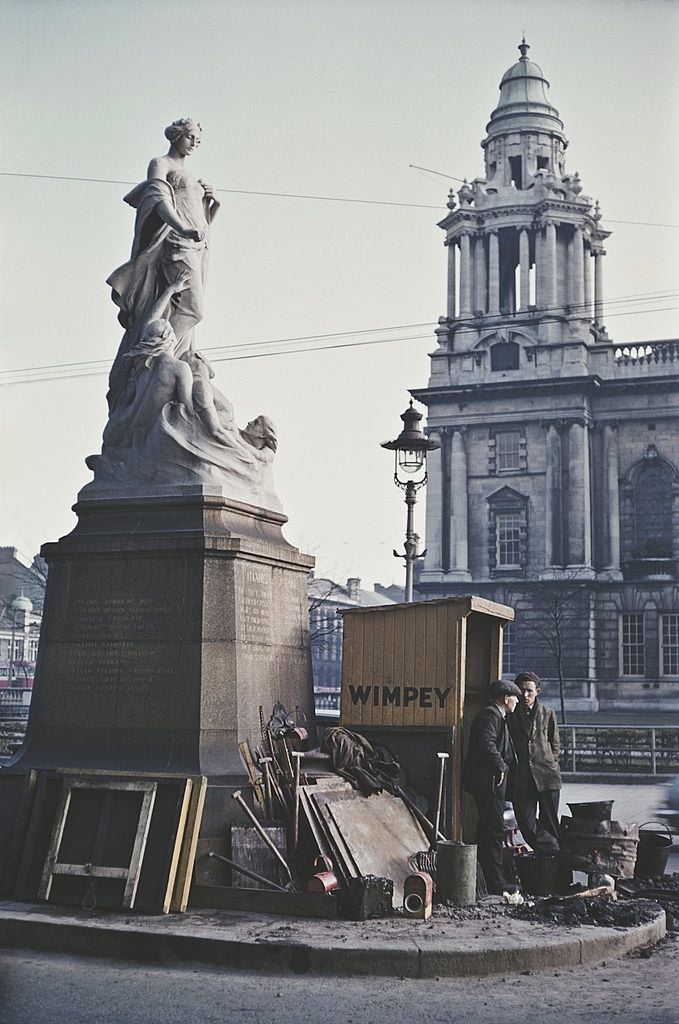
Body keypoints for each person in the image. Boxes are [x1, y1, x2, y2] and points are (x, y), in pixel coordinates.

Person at [107, 117, 220, 407]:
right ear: (176, 135)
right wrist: (182, 228)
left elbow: (199, 219)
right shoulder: (160, 163)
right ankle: (155, 356)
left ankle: (169, 358)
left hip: (197, 247)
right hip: (175, 244)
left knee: (188, 310)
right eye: (191, 136)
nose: (194, 143)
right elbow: (159, 200)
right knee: (193, 309)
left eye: (198, 140)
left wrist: (210, 205)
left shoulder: (191, 175)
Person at [462, 678, 522, 895]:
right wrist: (501, 766)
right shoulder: (491, 715)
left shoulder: (496, 716)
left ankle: (484, 880)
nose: (517, 702)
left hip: (490, 784)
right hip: (489, 784)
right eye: (515, 698)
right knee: (494, 831)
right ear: (506, 698)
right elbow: (486, 743)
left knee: (488, 831)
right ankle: (496, 882)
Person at [507, 670, 561, 856]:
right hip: (522, 780)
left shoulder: (548, 713)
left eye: (529, 691)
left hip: (547, 778)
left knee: (551, 824)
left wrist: (549, 762)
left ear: (538, 691)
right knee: (527, 825)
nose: (525, 695)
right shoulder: (510, 716)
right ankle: (558, 851)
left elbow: (555, 744)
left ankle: (551, 871)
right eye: (521, 691)